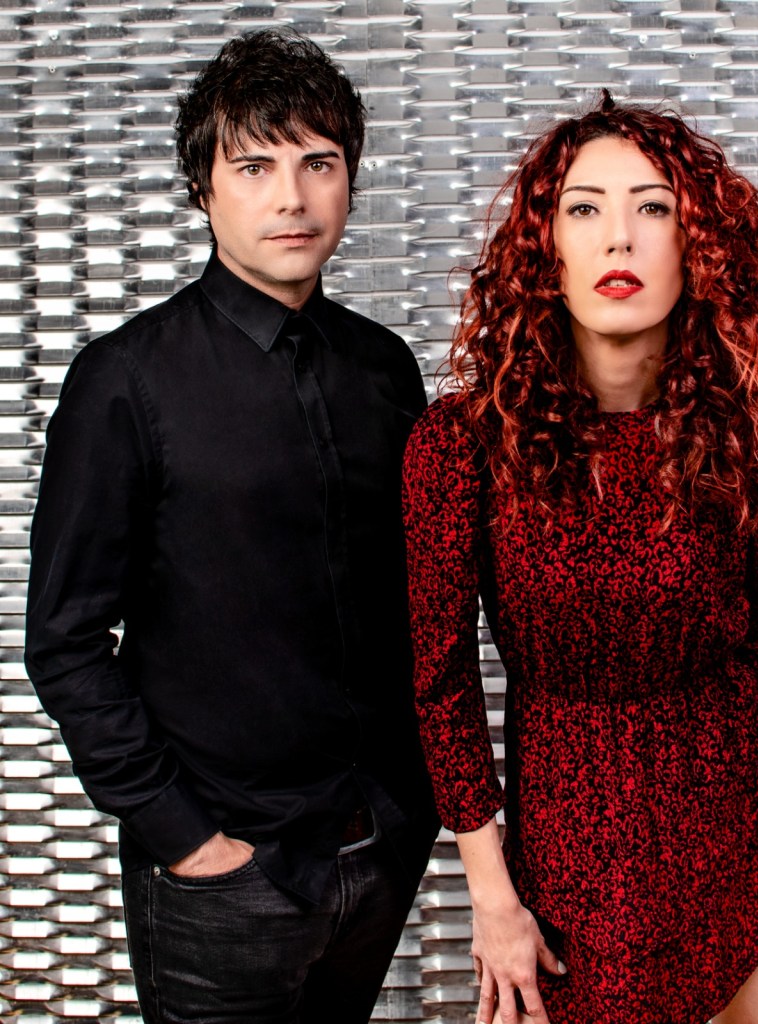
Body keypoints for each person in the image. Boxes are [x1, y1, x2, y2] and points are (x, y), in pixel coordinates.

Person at [25, 29, 437, 1024]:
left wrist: (410, 808)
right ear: (202, 190)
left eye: (318, 164)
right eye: (254, 167)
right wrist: (185, 838)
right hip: (222, 875)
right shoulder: (124, 380)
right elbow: (65, 641)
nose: (292, 197)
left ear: (349, 181)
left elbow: (416, 603)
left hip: (377, 847)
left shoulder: (386, 370)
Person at [402, 91, 758, 1024]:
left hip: (739, 838)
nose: (619, 238)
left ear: (698, 244)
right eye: (584, 208)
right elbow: (440, 685)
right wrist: (492, 898)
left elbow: (745, 649)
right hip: (559, 868)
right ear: (544, 246)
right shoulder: (459, 446)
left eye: (654, 207)